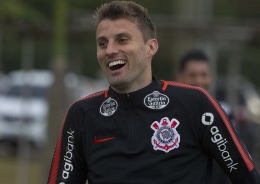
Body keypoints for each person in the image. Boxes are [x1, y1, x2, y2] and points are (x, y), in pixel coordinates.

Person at [47, 1, 260, 183]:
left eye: (122, 39)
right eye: (102, 43)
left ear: (151, 48)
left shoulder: (196, 104)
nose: (110, 50)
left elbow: (247, 177)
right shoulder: (82, 115)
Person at [176, 49, 232, 184]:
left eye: (203, 75)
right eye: (193, 75)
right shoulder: (169, 117)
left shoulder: (223, 114)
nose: (199, 81)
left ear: (210, 77)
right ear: (179, 77)